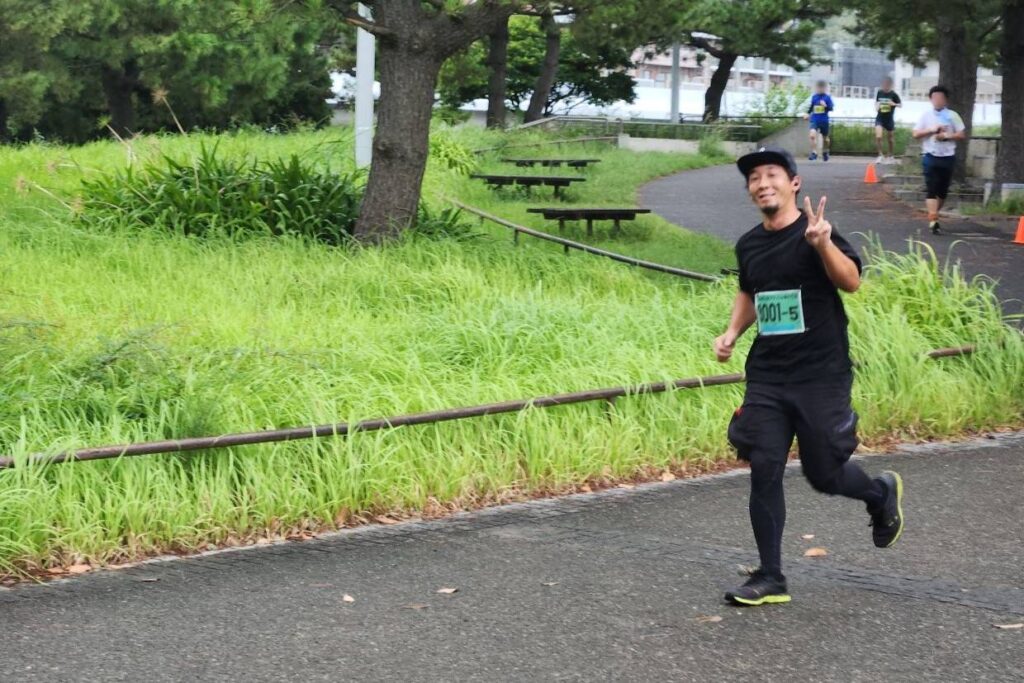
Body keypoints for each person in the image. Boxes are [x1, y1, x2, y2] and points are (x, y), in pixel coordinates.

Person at [713, 145, 904, 607]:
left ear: (794, 183)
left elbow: (851, 281)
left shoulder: (817, 231)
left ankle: (879, 493)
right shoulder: (749, 243)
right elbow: (749, 291)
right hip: (769, 376)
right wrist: (733, 332)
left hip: (821, 375)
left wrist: (821, 245)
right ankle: (770, 577)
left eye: (772, 174)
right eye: (754, 178)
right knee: (764, 467)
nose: (762, 183)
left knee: (825, 475)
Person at [911, 85, 967, 235]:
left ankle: (934, 214)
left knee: (942, 191)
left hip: (947, 156)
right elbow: (915, 134)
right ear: (930, 99)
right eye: (934, 98)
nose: (937, 100)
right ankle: (933, 220)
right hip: (930, 155)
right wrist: (931, 130)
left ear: (946, 100)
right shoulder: (926, 116)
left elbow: (961, 134)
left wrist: (947, 136)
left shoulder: (953, 115)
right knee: (931, 188)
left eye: (940, 98)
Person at [803, 81, 833, 162]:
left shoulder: (827, 97)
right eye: (819, 87)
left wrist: (825, 106)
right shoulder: (814, 97)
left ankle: (825, 151)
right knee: (812, 135)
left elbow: (831, 108)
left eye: (822, 87)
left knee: (825, 139)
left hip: (824, 120)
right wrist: (807, 114)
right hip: (815, 119)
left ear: (824, 88)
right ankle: (814, 153)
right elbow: (811, 107)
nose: (820, 89)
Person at [874, 77, 902, 163]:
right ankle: (880, 155)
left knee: (890, 139)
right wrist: (876, 106)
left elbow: (900, 105)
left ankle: (890, 155)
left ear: (890, 85)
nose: (885, 86)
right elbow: (877, 102)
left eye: (887, 84)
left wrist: (893, 104)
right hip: (880, 118)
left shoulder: (894, 94)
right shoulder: (880, 92)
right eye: (884, 84)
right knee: (878, 136)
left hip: (889, 118)